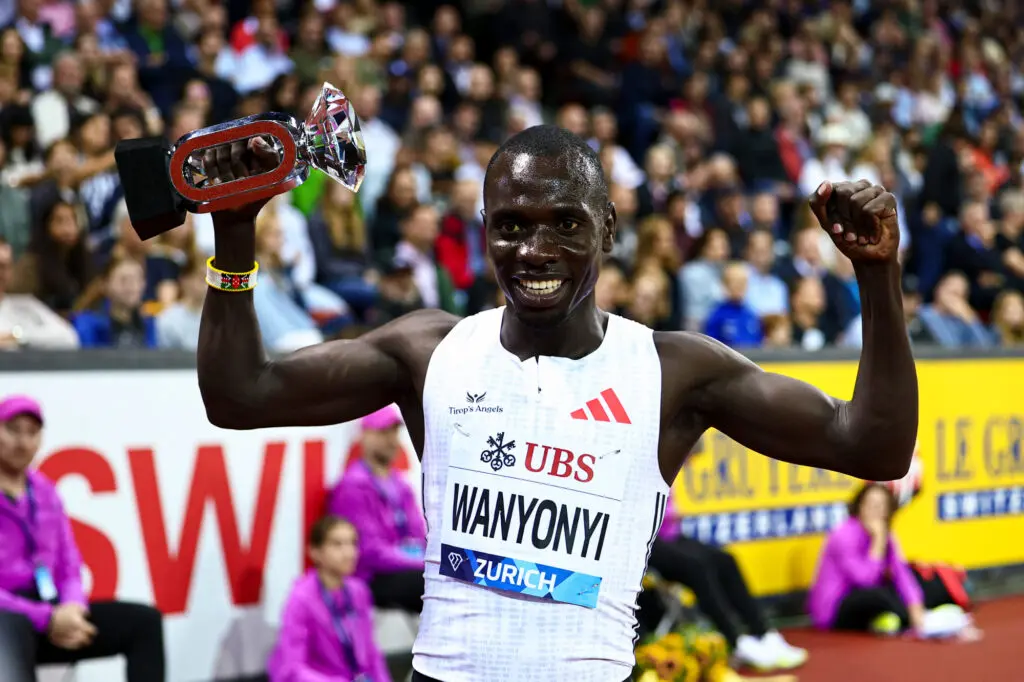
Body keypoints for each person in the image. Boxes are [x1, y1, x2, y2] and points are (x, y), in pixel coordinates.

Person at [196, 125, 918, 681]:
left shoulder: (672, 369)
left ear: (609, 228)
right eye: (511, 225)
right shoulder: (429, 351)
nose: (534, 249)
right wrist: (232, 235)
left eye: (565, 223)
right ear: (485, 231)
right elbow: (239, 396)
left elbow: (874, 447)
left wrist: (878, 276)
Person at [0, 395, 166, 682]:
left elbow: (69, 564)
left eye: (32, 433)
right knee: (9, 632)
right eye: (13, 430)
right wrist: (45, 617)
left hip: (54, 612)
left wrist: (73, 607)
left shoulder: (45, 491)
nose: (23, 443)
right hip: (10, 615)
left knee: (144, 623)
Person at [650, 488, 806, 671]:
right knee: (697, 567)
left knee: (726, 560)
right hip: (648, 543)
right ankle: (735, 641)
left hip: (671, 535)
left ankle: (763, 633)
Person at [808, 483, 978, 640]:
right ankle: (912, 620)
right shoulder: (843, 535)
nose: (875, 510)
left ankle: (912, 619)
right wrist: (878, 542)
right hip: (835, 608)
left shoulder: (887, 535)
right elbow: (865, 581)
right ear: (859, 506)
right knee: (877, 596)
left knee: (918, 582)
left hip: (869, 595)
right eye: (871, 504)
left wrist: (915, 607)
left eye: (881, 505)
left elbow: (902, 574)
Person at [267, 515, 391, 682]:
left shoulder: (359, 591)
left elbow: (370, 652)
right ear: (315, 552)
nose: (349, 553)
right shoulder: (301, 599)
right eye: (337, 544)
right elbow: (292, 669)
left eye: (353, 543)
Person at [329, 405, 427, 613]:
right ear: (365, 436)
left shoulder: (401, 485)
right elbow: (369, 553)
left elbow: (420, 535)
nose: (391, 440)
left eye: (394, 432)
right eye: (383, 432)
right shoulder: (353, 488)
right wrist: (422, 562)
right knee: (433, 583)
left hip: (405, 569)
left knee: (448, 578)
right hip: (370, 577)